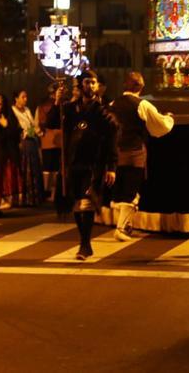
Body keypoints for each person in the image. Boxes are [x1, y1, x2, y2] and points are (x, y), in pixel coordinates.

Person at [45, 71, 118, 260]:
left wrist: (111, 167)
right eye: (87, 82)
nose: (91, 86)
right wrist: (57, 102)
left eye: (93, 82)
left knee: (87, 202)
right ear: (81, 85)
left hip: (94, 165)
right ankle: (84, 240)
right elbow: (51, 123)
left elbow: (111, 140)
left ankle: (84, 245)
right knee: (77, 205)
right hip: (73, 163)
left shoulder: (103, 111)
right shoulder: (69, 108)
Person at [107, 72, 174, 241]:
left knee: (121, 189)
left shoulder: (112, 103)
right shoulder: (142, 104)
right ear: (141, 87)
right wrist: (169, 118)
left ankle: (124, 224)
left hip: (116, 153)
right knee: (131, 189)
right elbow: (160, 127)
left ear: (125, 85)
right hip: (134, 152)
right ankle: (121, 228)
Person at [12, 90, 44, 206]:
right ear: (16, 98)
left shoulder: (27, 110)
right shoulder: (13, 111)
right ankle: (24, 197)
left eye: (26, 97)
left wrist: (36, 130)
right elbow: (19, 128)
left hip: (31, 142)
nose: (25, 99)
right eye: (23, 97)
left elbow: (32, 124)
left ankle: (35, 197)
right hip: (23, 143)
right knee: (25, 169)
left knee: (34, 168)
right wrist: (32, 131)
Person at [36, 83, 63, 201]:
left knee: (48, 168)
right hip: (57, 139)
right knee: (55, 168)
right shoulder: (58, 104)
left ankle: (47, 191)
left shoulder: (42, 105)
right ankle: (52, 192)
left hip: (48, 140)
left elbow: (37, 123)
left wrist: (39, 133)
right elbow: (38, 122)